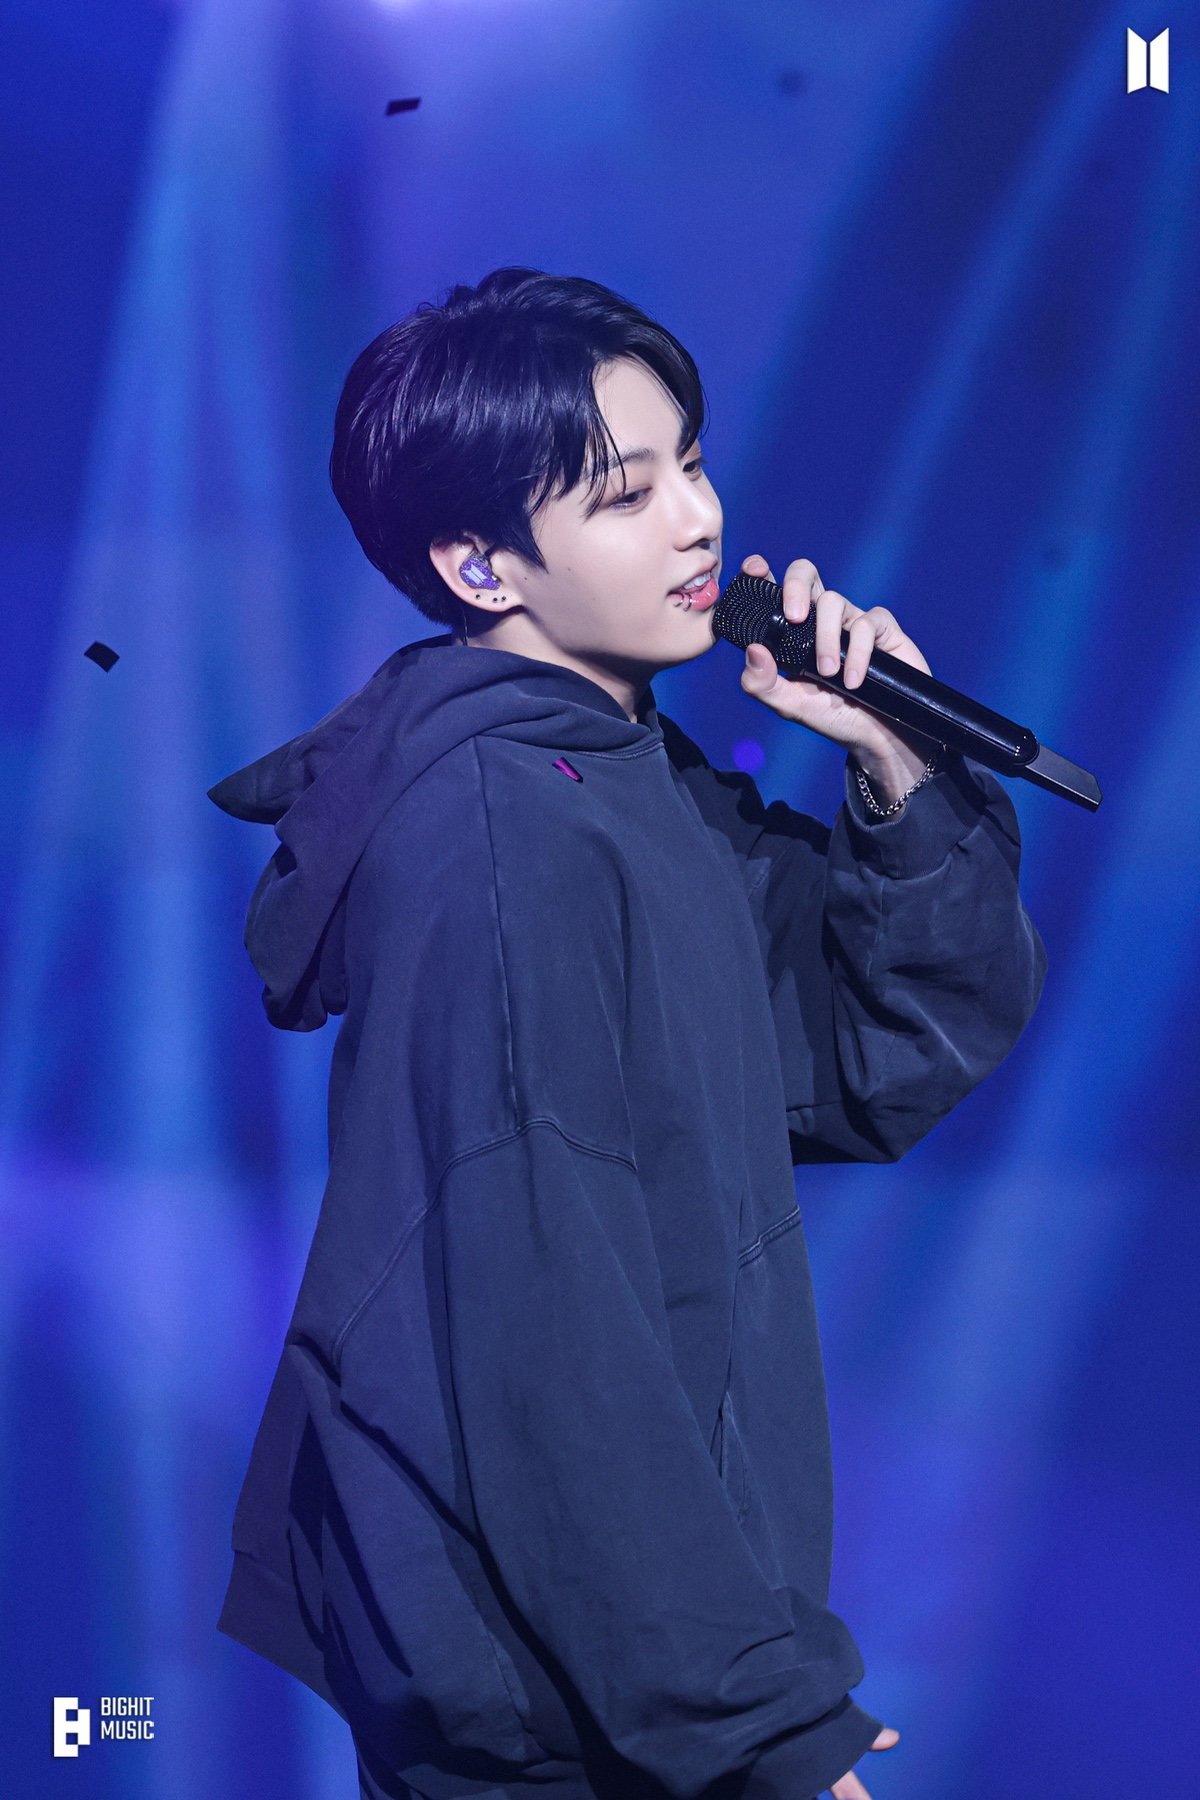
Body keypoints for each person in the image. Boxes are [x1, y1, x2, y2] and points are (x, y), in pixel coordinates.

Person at [207, 267, 1046, 1800]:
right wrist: (757, 1733)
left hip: (631, 1679)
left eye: (693, 465)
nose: (698, 523)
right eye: (626, 494)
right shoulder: (497, 841)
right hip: (562, 1706)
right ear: (477, 563)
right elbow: (546, 1335)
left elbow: (879, 1059)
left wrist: (894, 756)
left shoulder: (620, 779)